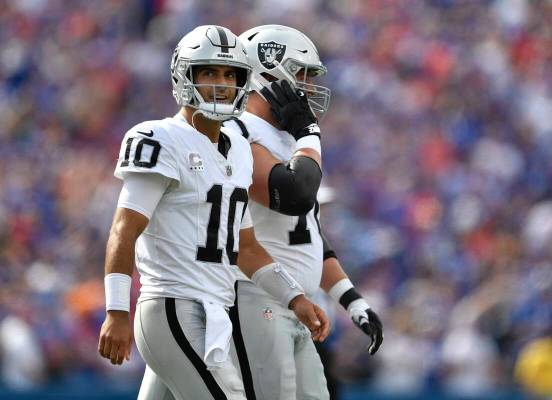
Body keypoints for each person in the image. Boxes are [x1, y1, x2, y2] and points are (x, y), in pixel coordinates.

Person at [139, 24, 383, 400]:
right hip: (241, 296)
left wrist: (352, 300)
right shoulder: (236, 131)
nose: (307, 85)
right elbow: (293, 195)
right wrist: (310, 133)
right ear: (268, 73)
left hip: (283, 300)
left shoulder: (290, 140)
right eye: (300, 74)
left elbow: (309, 233)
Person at [97, 25, 329, 400]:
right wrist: (115, 310)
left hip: (214, 311)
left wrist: (294, 298)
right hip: (173, 305)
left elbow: (246, 246)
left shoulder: (237, 146)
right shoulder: (160, 138)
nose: (221, 83)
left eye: (230, 74)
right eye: (208, 72)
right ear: (184, 76)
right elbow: (124, 229)